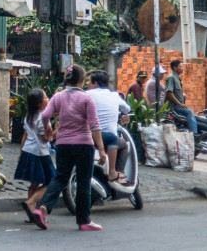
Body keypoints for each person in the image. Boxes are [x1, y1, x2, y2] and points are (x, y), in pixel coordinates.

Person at [32, 64, 106, 233]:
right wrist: (101, 150)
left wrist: (47, 128)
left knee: (60, 178)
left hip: (63, 144)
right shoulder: (87, 99)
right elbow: (95, 125)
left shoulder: (58, 97)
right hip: (84, 144)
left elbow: (45, 115)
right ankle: (83, 221)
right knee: (83, 182)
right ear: (81, 80)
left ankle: (43, 207)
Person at [15, 88, 56, 223]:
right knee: (51, 181)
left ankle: (32, 214)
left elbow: (25, 135)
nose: (48, 99)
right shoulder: (43, 119)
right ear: (39, 103)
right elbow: (46, 139)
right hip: (40, 154)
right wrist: (58, 130)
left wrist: (20, 153)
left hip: (28, 151)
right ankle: (32, 204)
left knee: (34, 183)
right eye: (45, 98)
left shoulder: (29, 116)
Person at [86, 70, 131, 184]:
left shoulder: (86, 95)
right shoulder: (114, 95)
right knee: (124, 145)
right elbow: (127, 109)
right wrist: (124, 114)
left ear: (95, 83)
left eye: (89, 81)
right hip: (108, 138)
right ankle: (116, 172)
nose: (87, 83)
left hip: (89, 137)